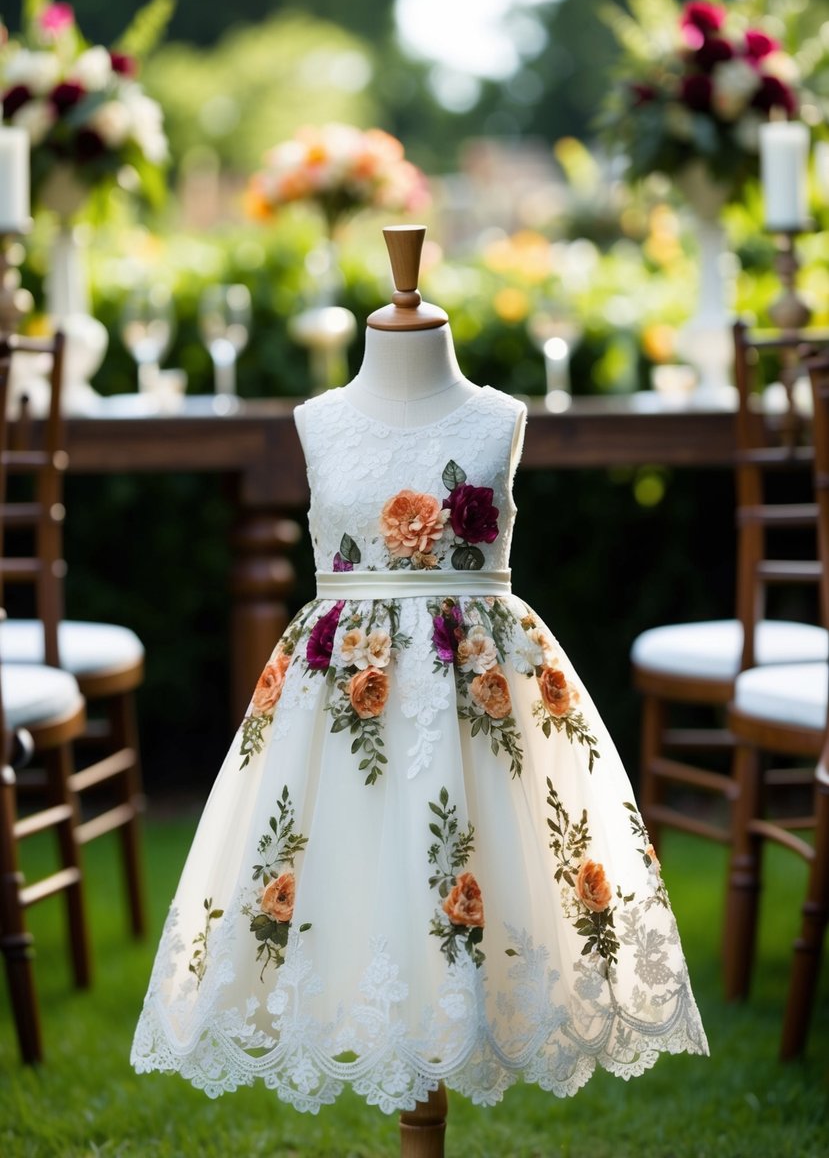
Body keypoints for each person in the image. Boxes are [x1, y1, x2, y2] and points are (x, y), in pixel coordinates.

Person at [132, 227, 707, 1145]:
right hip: (339, 697)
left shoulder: (497, 417)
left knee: (480, 880)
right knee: (353, 883)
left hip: (483, 697)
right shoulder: (319, 418)